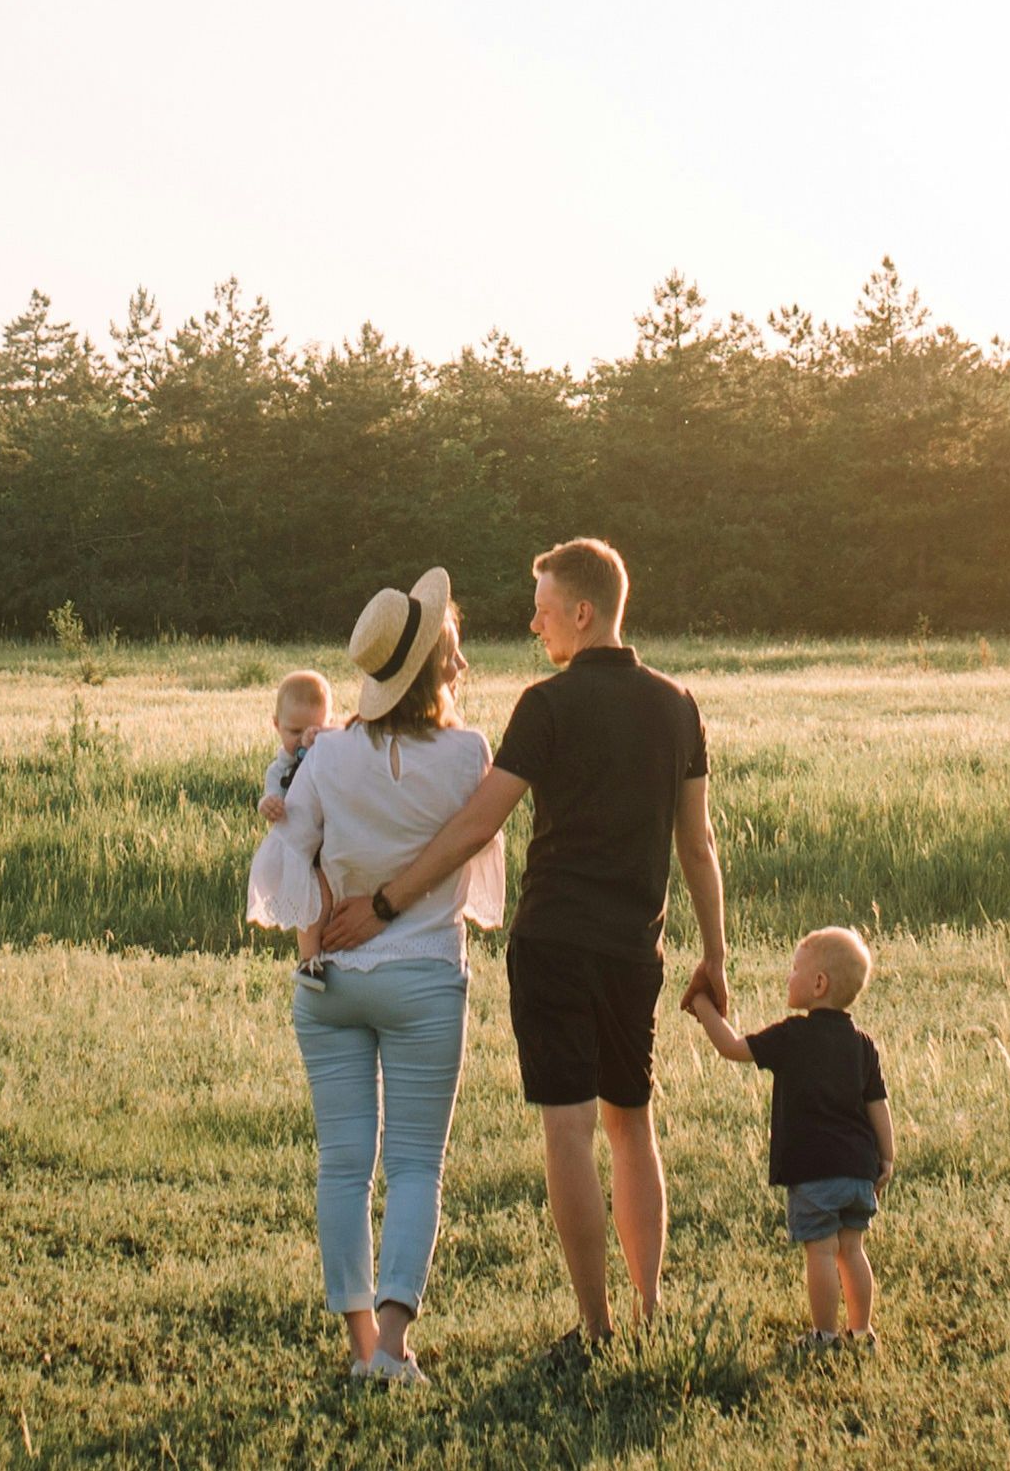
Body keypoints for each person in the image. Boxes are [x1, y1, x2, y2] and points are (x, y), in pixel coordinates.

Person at [312, 537, 725, 1348]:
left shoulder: (546, 704)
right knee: (632, 1123)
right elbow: (697, 842)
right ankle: (649, 1314)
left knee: (568, 1129)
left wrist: (387, 901)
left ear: (581, 610)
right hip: (635, 948)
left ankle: (596, 1327)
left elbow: (476, 823)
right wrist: (715, 952)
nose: (533, 621)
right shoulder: (678, 704)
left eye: (542, 606)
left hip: (553, 944)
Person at [246, 571, 503, 1386]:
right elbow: (473, 852)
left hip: (331, 983)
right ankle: (392, 1348)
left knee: (342, 1164)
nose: (462, 665)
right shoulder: (468, 754)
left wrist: (316, 937)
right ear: (432, 667)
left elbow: (294, 855)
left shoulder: (324, 753)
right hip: (425, 977)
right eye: (453, 653)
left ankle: (360, 1346)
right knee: (416, 1164)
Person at [686, 926, 891, 1356]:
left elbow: (733, 1047)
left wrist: (702, 1004)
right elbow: (878, 1105)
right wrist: (887, 1158)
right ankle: (862, 1332)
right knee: (852, 1249)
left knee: (820, 1251)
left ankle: (824, 1336)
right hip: (858, 1171)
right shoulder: (863, 1045)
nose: (788, 976)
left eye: (795, 968)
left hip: (815, 1172)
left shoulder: (792, 1036)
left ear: (819, 985)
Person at [258, 668, 335, 825]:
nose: (304, 739)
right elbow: (274, 797)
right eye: (295, 731)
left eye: (315, 731)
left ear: (330, 725)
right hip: (294, 842)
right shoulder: (278, 772)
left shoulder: (332, 762)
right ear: (277, 725)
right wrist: (267, 804)